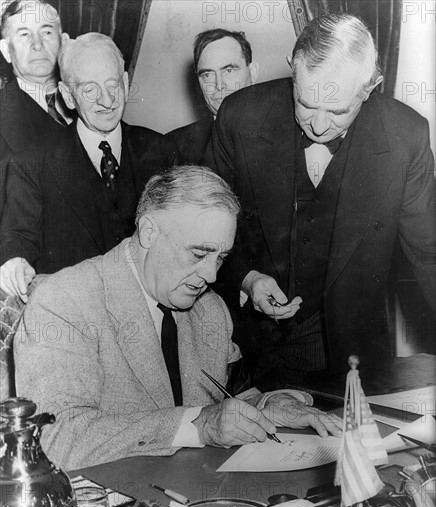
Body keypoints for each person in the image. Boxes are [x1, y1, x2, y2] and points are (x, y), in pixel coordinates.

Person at [14, 165, 341, 470]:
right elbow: (55, 439)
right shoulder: (65, 300)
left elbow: (227, 404)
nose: (211, 276)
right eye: (199, 254)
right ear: (148, 232)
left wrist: (272, 406)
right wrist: (197, 426)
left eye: (221, 257)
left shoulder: (209, 311)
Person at [212, 13, 436, 389]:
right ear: (292, 68)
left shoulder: (406, 137)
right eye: (305, 103)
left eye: (336, 111)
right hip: (249, 352)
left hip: (355, 359)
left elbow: (429, 253)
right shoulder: (239, 117)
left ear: (370, 87)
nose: (317, 125)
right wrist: (247, 278)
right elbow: (202, 230)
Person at [0, 32, 177, 302]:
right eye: (90, 89)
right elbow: (18, 235)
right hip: (74, 313)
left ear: (127, 84)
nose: (106, 101)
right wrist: (15, 261)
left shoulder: (162, 151)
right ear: (68, 96)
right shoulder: (32, 161)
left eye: (113, 85)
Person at [0, 0, 73, 221]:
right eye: (24, 34)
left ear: (63, 41)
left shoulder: (89, 101)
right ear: (6, 50)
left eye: (47, 31)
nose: (38, 45)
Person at [166, 29, 258, 164]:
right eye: (207, 75)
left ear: (253, 72)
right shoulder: (172, 146)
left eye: (229, 70)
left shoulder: (286, 135)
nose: (219, 85)